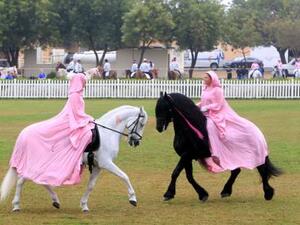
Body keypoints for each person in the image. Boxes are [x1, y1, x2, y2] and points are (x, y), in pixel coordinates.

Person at [10, 73, 95, 186]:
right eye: (84, 82)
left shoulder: (77, 94)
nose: (85, 84)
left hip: (75, 119)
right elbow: (76, 113)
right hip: (71, 121)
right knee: (87, 134)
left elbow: (78, 113)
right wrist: (88, 119)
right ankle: (78, 161)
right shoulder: (75, 96)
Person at [196, 71, 268, 173]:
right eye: (204, 77)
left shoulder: (217, 90)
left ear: (212, 79)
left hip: (217, 113)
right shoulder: (205, 89)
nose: (204, 79)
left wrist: (206, 108)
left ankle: (214, 151)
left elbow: (218, 104)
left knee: (210, 126)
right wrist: (196, 106)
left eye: (206, 78)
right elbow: (203, 101)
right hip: (205, 112)